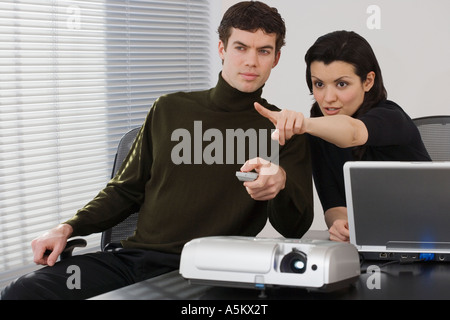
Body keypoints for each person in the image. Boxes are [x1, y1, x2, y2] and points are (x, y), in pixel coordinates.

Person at [1, 1, 313, 300]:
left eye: (263, 51)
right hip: (133, 262)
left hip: (210, 271)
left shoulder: (284, 130)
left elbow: (294, 227)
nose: (250, 61)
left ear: (276, 58)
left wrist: (281, 181)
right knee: (23, 292)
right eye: (240, 48)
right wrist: (68, 227)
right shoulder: (169, 109)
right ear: (222, 49)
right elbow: (125, 191)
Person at [254, 30, 431, 242]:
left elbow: (353, 132)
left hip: (426, 238)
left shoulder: (391, 117)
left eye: (341, 84)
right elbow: (333, 205)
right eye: (319, 84)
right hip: (372, 247)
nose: (328, 98)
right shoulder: (317, 134)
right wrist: (340, 225)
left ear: (368, 81)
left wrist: (303, 123)